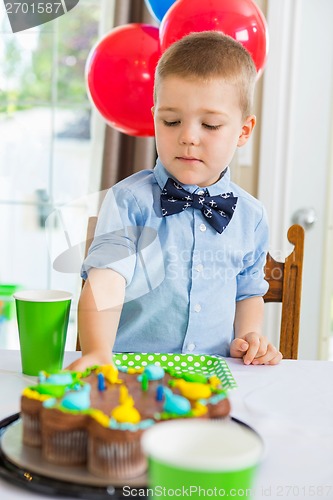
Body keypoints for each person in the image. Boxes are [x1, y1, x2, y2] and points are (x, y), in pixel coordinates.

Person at [67, 31, 282, 372]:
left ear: (243, 131)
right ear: (155, 118)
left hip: (214, 377)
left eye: (210, 124)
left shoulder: (252, 216)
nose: (188, 136)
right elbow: (105, 281)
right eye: (171, 121)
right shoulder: (129, 201)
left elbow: (247, 293)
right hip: (132, 374)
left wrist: (251, 336)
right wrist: (96, 352)